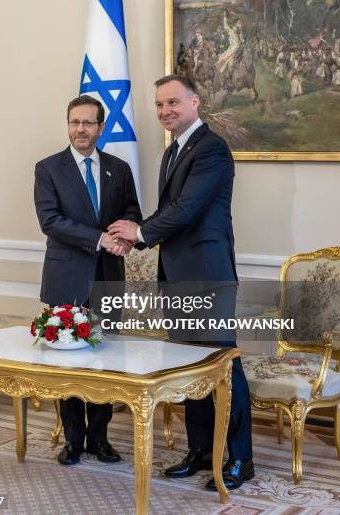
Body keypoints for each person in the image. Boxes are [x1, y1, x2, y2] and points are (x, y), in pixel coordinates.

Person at [108, 74, 254, 491]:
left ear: (195, 101)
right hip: (176, 275)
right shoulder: (172, 151)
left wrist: (137, 233)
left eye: (173, 102)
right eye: (159, 105)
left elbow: (187, 210)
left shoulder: (211, 149)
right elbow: (172, 214)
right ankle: (199, 451)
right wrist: (137, 237)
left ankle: (241, 458)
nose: (165, 111)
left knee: (225, 369)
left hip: (207, 277)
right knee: (189, 370)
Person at [34, 94, 141, 467]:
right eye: (74, 122)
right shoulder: (48, 168)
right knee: (67, 364)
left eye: (87, 123)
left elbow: (131, 211)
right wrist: (99, 239)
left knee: (104, 363)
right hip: (65, 278)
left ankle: (100, 439)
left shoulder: (119, 168)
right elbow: (50, 221)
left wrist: (124, 236)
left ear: (100, 127)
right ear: (68, 125)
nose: (80, 129)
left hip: (108, 278)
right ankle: (73, 442)